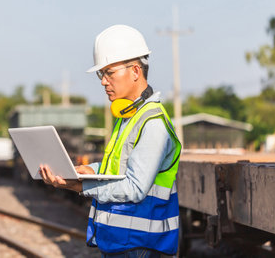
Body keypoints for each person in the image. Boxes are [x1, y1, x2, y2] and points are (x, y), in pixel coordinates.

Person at [40, 24, 182, 258]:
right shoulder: (129, 118)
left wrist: (79, 186)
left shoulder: (153, 123)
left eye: (109, 73)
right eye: (101, 74)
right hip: (121, 243)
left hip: (140, 247)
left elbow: (135, 188)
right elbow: (119, 167)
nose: (103, 81)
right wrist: (87, 170)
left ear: (135, 71)